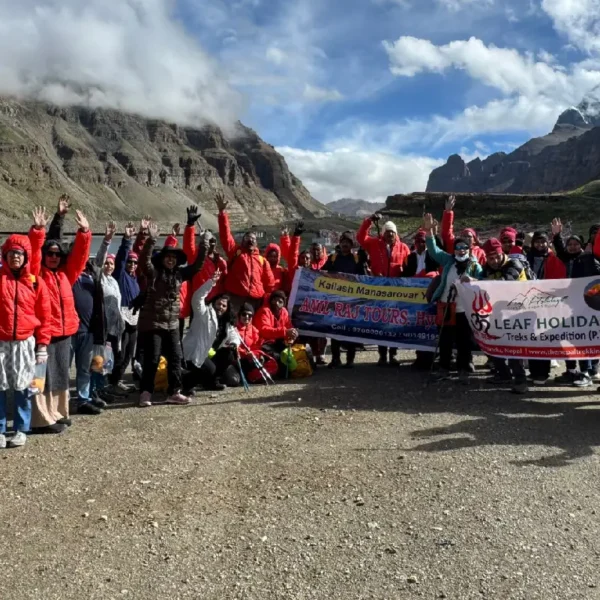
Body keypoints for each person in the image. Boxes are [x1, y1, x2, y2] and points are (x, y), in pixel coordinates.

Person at [29, 198, 91, 433]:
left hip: (64, 334)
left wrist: (84, 233)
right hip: (44, 336)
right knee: (40, 377)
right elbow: (33, 254)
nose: (53, 256)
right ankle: (40, 420)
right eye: (50, 253)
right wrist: (38, 231)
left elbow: (80, 257)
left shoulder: (66, 274)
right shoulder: (37, 275)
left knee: (60, 376)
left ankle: (57, 412)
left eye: (57, 254)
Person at [137, 222, 208, 407]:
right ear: (162, 259)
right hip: (154, 324)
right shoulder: (153, 273)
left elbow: (197, 266)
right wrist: (151, 240)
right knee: (152, 359)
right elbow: (143, 261)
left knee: (176, 358)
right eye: (168, 257)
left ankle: (174, 392)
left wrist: (204, 244)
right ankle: (146, 392)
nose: (170, 260)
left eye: (173, 257)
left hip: (173, 324)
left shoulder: (179, 275)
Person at [0, 233, 51, 449]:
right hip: (1, 341)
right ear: (5, 255)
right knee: (0, 387)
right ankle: (0, 429)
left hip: (24, 342)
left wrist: (42, 345)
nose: (15, 257)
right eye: (11, 253)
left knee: (23, 387)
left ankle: (21, 428)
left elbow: (45, 316)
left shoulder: (35, 282)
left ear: (26, 257)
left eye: (19, 254)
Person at [423, 214, 483, 382]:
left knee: (464, 340)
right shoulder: (448, 260)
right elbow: (434, 250)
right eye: (458, 248)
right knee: (445, 340)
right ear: (454, 250)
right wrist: (429, 232)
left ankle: (463, 369)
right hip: (446, 305)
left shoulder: (474, 265)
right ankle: (444, 368)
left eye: (464, 247)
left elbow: (484, 282)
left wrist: (473, 280)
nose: (461, 250)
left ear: (469, 249)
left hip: (464, 309)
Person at [552, 218, 600, 387]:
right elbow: (559, 249)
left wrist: (587, 256)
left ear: (582, 245)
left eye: (576, 244)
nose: (572, 247)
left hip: (584, 305)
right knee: (567, 336)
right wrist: (556, 236)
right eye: (570, 244)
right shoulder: (565, 258)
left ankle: (587, 370)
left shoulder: (586, 258)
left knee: (583, 337)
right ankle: (571, 370)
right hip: (566, 304)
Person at [357, 214, 410, 366]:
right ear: (383, 233)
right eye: (387, 232)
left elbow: (409, 266)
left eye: (392, 232)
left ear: (396, 233)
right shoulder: (374, 243)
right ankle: (382, 355)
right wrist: (368, 221)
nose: (390, 235)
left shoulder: (403, 247)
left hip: (396, 292)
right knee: (380, 323)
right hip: (378, 290)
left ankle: (393, 355)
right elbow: (360, 238)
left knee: (394, 324)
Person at [182, 262, 242, 393]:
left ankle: (211, 382)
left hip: (210, 354)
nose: (220, 307)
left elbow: (235, 335)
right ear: (213, 303)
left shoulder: (227, 322)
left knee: (230, 354)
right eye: (218, 304)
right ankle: (185, 384)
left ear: (227, 309)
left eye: (224, 306)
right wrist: (211, 283)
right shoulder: (203, 312)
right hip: (195, 353)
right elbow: (197, 297)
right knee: (210, 369)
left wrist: (234, 344)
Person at [481, 238, 528, 394]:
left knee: (514, 348)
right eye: (490, 258)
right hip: (497, 313)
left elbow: (506, 282)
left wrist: (479, 282)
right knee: (494, 343)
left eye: (496, 257)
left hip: (517, 313)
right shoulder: (487, 269)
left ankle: (521, 380)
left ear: (502, 253)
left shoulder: (514, 264)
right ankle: (503, 374)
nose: (494, 261)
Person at [216, 192, 275, 313]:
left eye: (253, 238)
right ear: (243, 241)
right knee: (233, 323)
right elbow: (225, 236)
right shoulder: (236, 252)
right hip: (236, 297)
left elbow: (270, 283)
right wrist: (222, 213)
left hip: (255, 300)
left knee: (251, 324)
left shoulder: (262, 260)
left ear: (256, 243)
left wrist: (267, 299)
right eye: (248, 238)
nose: (250, 240)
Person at [322, 232, 367, 368]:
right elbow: (322, 273)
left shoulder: (357, 259)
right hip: (336, 300)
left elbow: (363, 277)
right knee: (334, 329)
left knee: (350, 330)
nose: (345, 244)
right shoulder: (333, 258)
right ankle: (336, 359)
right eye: (343, 242)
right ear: (340, 244)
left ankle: (350, 360)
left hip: (352, 301)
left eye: (348, 242)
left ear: (352, 245)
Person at [93, 222, 127, 400]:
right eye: (106, 263)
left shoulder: (114, 281)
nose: (108, 266)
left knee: (109, 360)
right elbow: (98, 261)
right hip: (102, 327)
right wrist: (107, 241)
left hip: (115, 328)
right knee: (99, 359)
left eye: (111, 264)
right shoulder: (99, 278)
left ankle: (105, 388)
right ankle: (95, 390)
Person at [109, 221, 142, 394]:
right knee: (119, 353)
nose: (132, 265)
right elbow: (121, 258)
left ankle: (118, 379)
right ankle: (113, 382)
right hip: (121, 319)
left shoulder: (135, 280)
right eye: (130, 262)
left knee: (129, 353)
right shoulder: (120, 275)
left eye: (135, 262)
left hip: (134, 320)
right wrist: (127, 240)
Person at [182, 205, 228, 311]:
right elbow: (188, 245)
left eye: (213, 241)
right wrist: (190, 225)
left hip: (216, 302)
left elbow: (224, 281)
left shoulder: (221, 262)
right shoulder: (195, 256)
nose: (211, 243)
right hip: (199, 300)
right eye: (208, 241)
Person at [254, 291, 298, 367]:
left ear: (283, 304)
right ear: (271, 300)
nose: (277, 303)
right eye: (274, 300)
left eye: (280, 302)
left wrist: (293, 334)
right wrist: (285, 332)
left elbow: (289, 327)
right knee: (278, 358)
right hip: (264, 343)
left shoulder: (284, 312)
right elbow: (264, 331)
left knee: (294, 355)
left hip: (278, 342)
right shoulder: (264, 311)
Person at [441, 195, 486, 265]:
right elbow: (446, 233)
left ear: (474, 240)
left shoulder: (480, 252)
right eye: (464, 236)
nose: (466, 238)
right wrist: (448, 212)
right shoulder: (455, 247)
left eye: (469, 236)